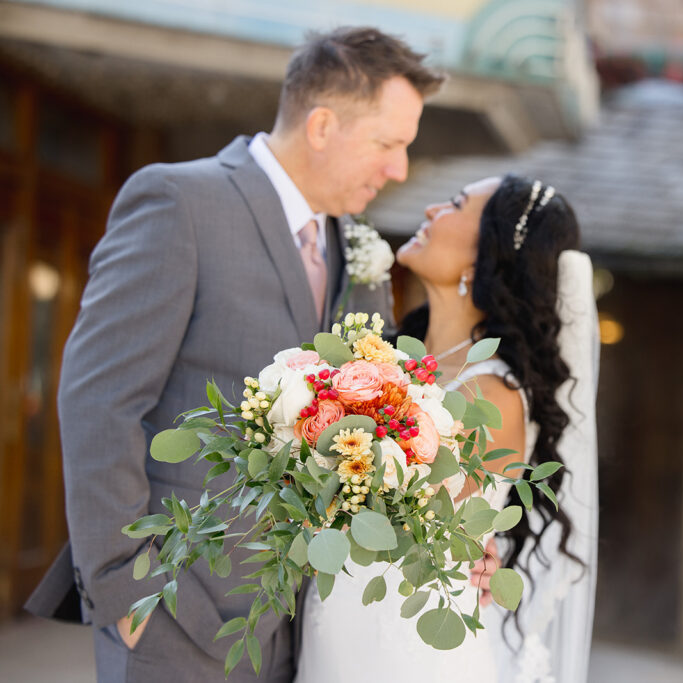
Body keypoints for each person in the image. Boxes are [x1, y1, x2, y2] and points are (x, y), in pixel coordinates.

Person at [25, 27, 444, 682]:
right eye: (389, 144)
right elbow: (99, 400)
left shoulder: (358, 248)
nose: (399, 169)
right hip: (178, 612)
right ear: (323, 124)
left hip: (309, 624)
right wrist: (127, 581)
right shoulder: (179, 202)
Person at [295, 175, 600, 683]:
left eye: (457, 204)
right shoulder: (388, 358)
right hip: (341, 626)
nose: (434, 208)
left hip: (408, 644)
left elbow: (375, 505)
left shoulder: (492, 396)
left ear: (482, 259)